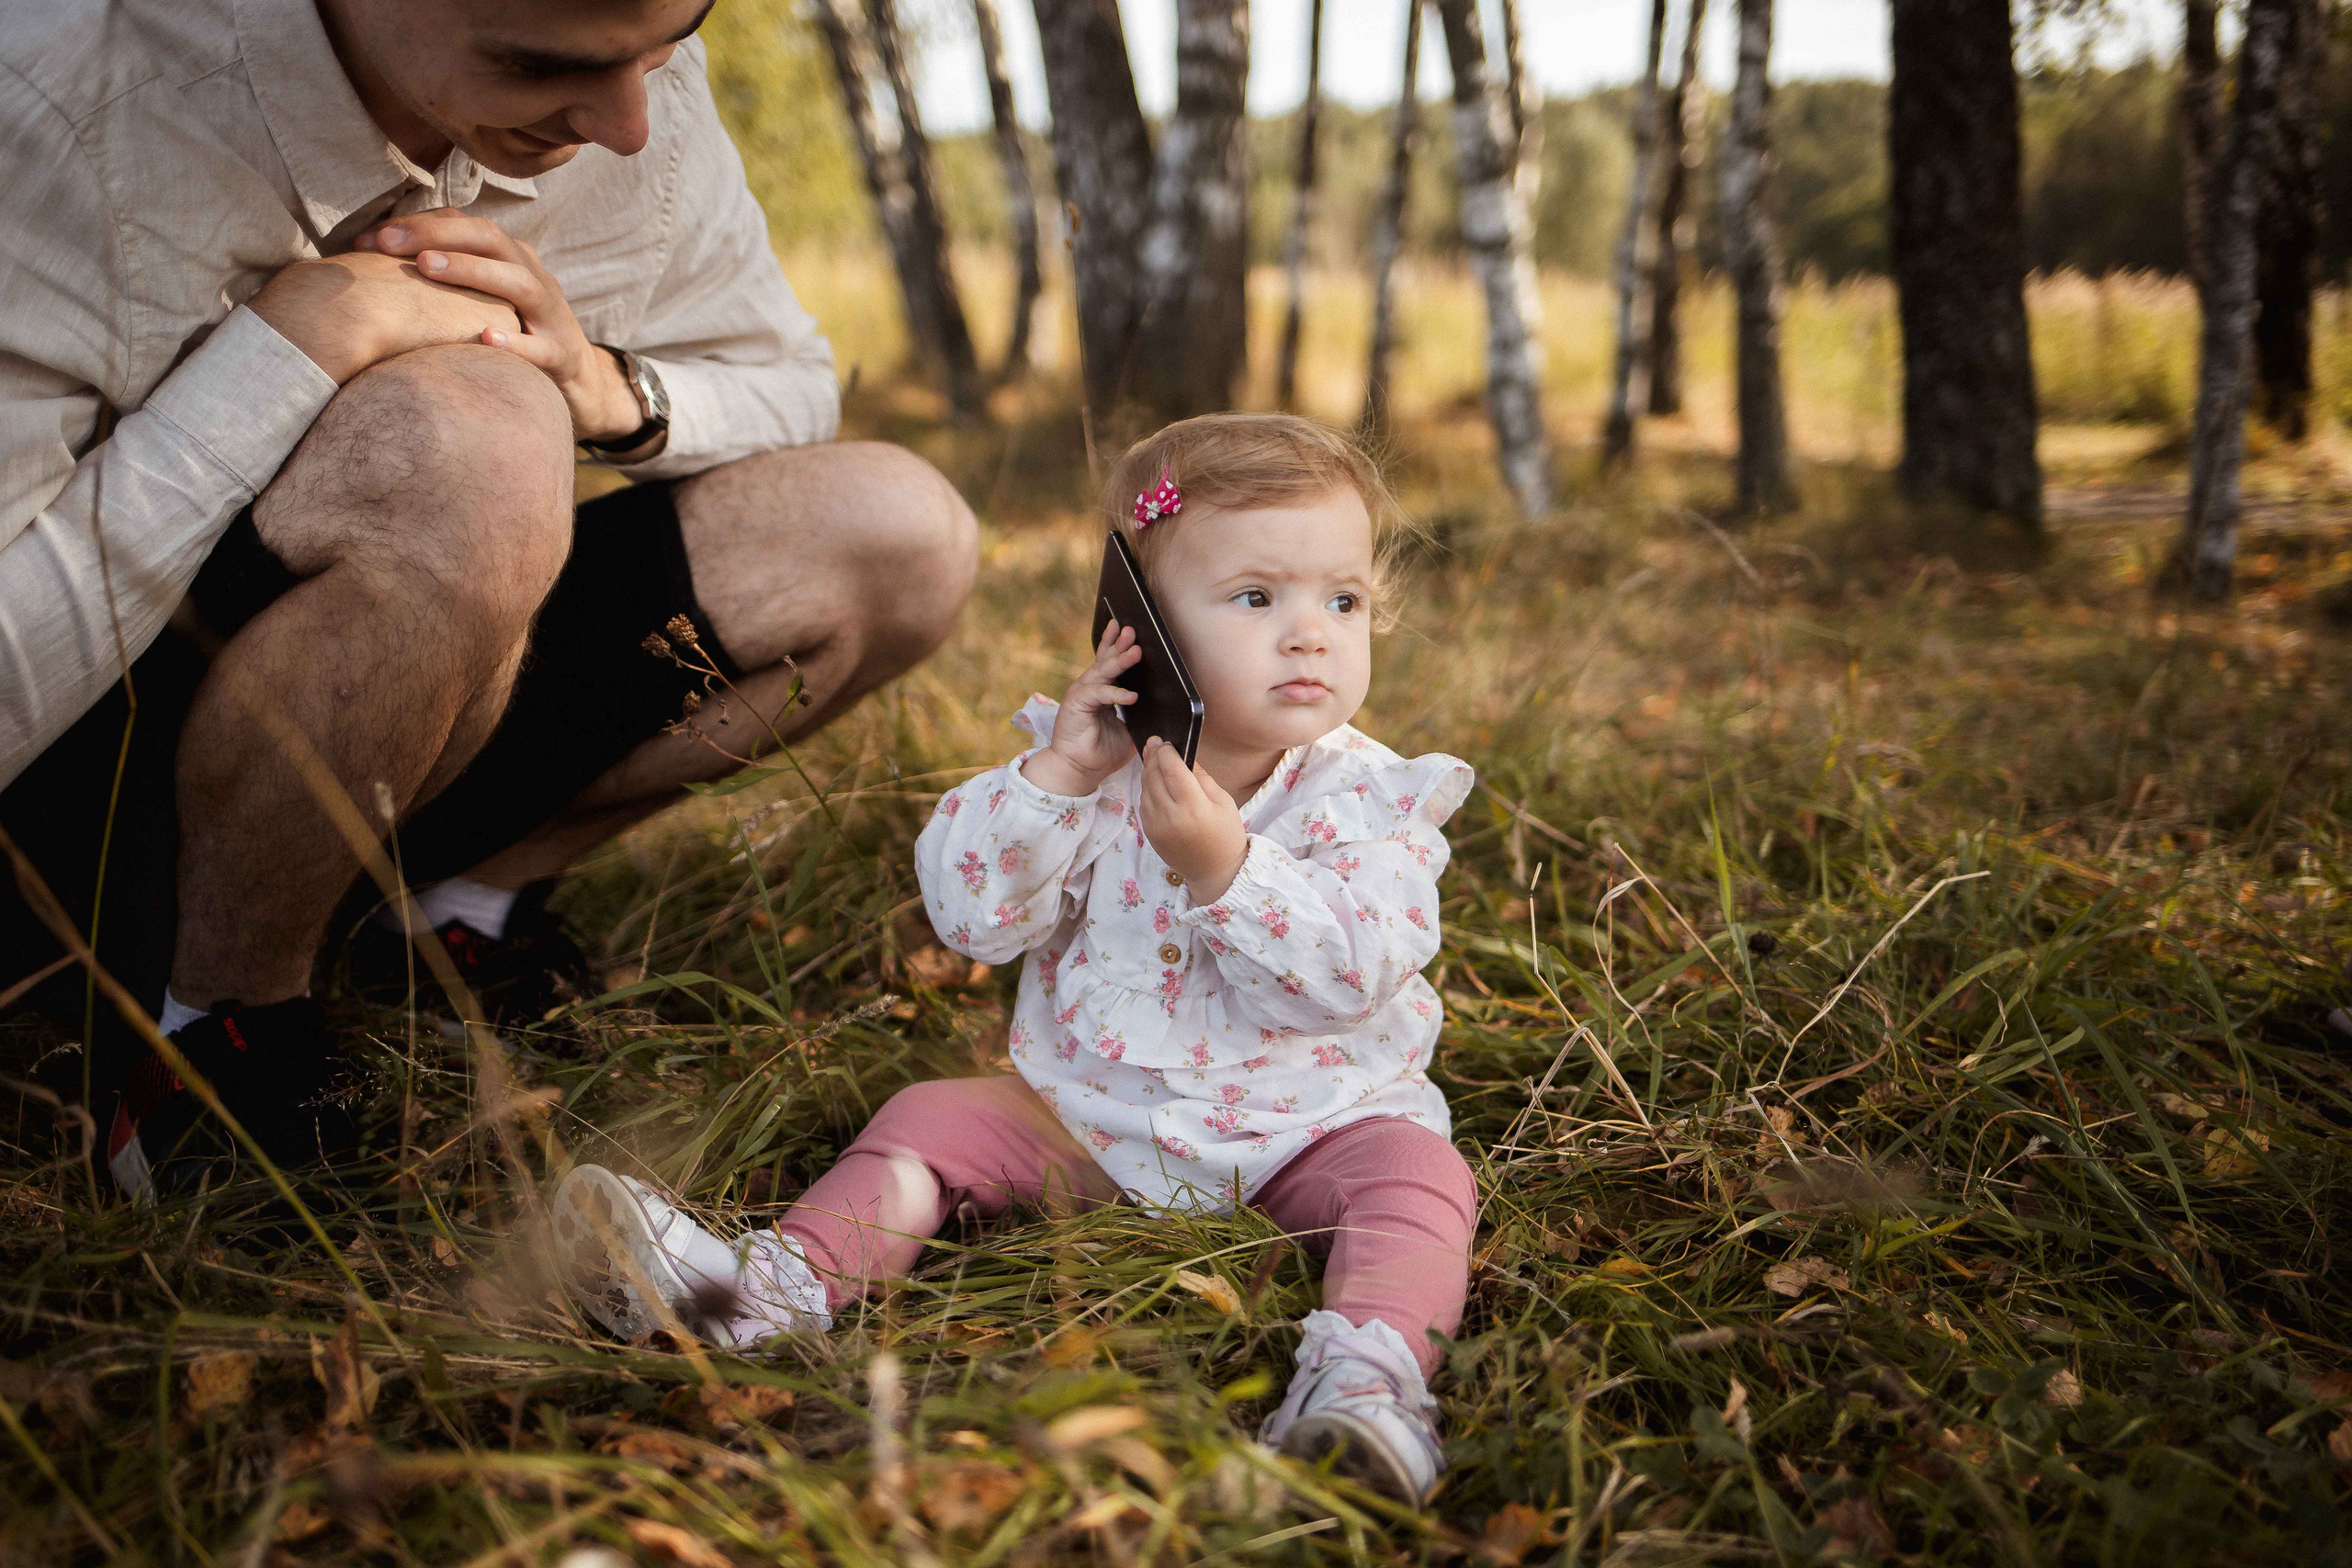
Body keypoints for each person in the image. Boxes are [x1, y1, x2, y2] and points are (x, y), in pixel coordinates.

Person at [0, 0, 978, 1200]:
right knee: (477, 435)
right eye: (540, 61)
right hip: (68, 801)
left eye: (669, 45)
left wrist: (603, 388)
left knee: (900, 531)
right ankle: (210, 1035)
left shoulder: (627, 79)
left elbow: (787, 378)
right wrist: (294, 348)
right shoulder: (52, 101)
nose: (629, 122)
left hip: (399, 718)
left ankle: (444, 914)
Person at [549, 415, 1479, 1506]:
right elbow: (974, 922)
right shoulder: (1087, 768)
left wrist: (1226, 870)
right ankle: (768, 1293)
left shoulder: (1371, 799)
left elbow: (1355, 973)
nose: (1312, 636)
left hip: (1311, 1128)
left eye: (1344, 601)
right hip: (1093, 1120)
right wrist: (1056, 784)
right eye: (1255, 597)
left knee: (1417, 1179)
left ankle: (1365, 1382)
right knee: (927, 1122)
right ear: (1137, 631)